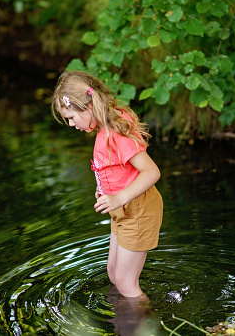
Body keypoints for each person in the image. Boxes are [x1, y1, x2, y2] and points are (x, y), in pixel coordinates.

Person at [51, 70, 163, 298]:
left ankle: (145, 327)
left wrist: (119, 197)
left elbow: (151, 172)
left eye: (71, 118)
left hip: (137, 210)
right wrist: (103, 189)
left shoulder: (116, 135)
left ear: (88, 107)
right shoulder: (104, 129)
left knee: (125, 282)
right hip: (121, 210)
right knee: (113, 274)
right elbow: (114, 168)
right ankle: (122, 323)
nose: (71, 125)